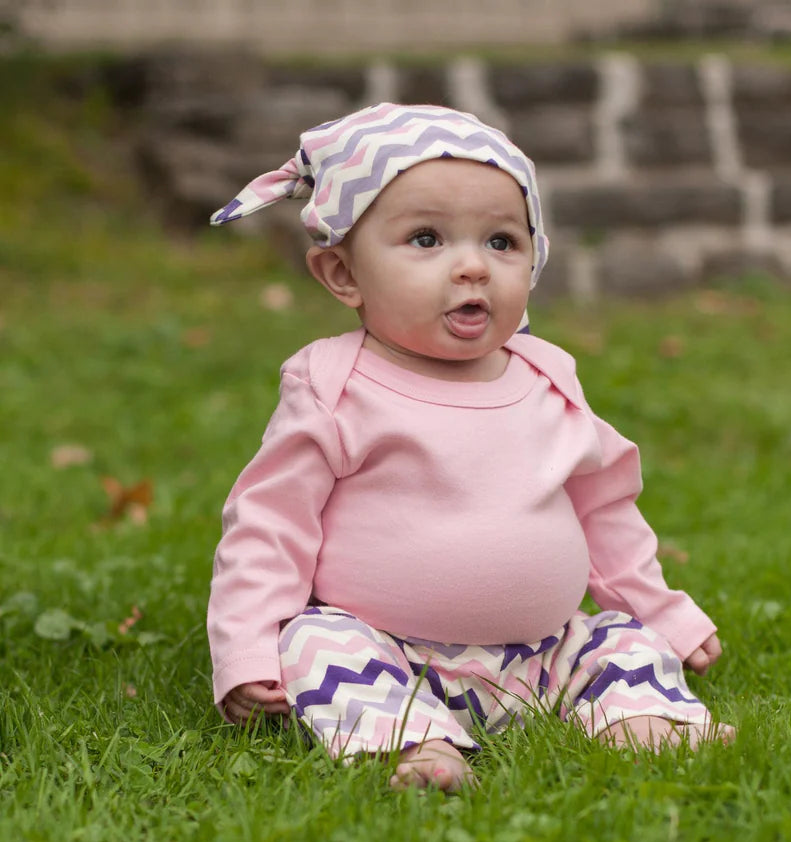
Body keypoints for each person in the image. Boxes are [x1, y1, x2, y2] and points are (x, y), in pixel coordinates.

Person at [207, 102, 733, 791]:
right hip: (389, 651)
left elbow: (603, 509)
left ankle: (642, 722)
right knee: (312, 641)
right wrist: (247, 649)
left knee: (618, 639)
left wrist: (661, 610)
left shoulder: (547, 376)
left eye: (501, 242)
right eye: (426, 240)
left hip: (544, 655)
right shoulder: (335, 384)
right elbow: (269, 525)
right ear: (343, 275)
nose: (472, 268)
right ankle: (415, 746)